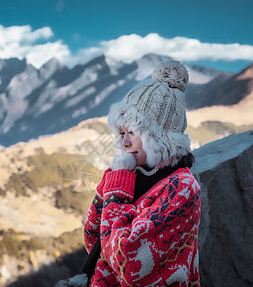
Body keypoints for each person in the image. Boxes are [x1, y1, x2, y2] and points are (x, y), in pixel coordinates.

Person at [83, 60, 201, 286]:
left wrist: (116, 195)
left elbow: (128, 264)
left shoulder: (182, 189)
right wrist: (108, 187)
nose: (125, 142)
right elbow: (92, 239)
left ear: (158, 137)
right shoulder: (134, 176)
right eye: (121, 133)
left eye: (133, 132)